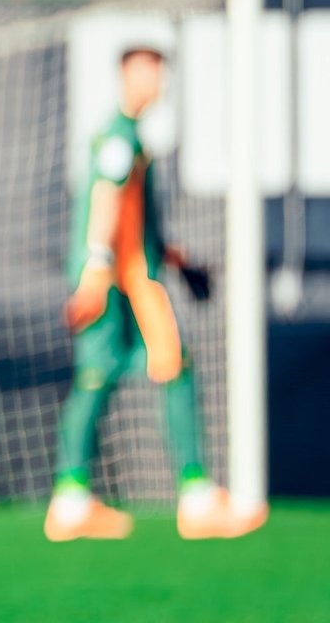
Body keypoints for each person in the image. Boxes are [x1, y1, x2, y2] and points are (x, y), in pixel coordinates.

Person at [44, 44, 268, 542]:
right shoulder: (118, 135)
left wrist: (169, 250)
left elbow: (128, 210)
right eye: (149, 71)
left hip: (128, 271)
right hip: (118, 278)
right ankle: (186, 497)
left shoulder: (132, 136)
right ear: (128, 75)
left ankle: (80, 498)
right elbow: (106, 194)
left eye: (161, 72)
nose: (158, 81)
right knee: (126, 373)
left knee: (138, 371)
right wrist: (97, 267)